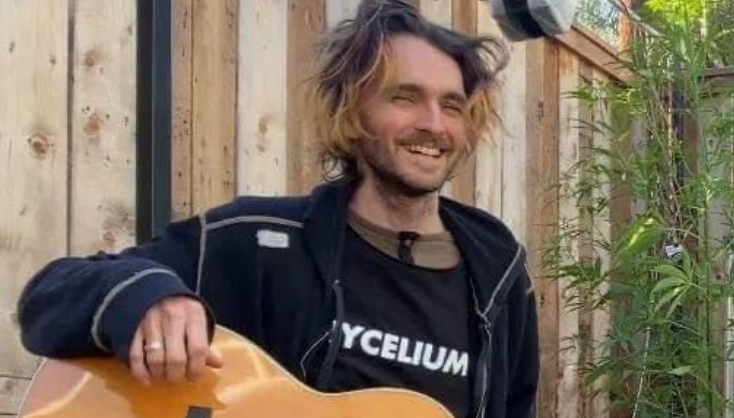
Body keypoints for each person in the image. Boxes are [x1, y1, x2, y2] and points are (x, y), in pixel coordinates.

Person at [17, 1, 539, 417]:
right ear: (352, 110)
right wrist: (148, 299)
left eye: (452, 105)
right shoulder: (256, 242)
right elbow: (49, 296)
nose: (434, 123)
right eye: (405, 97)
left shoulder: (497, 274)